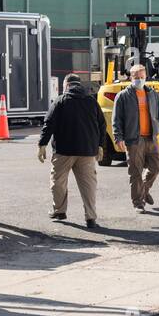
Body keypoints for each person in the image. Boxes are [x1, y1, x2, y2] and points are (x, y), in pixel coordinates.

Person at [39, 74, 106, 228]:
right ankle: (91, 218)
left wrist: (42, 144)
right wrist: (100, 145)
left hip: (64, 150)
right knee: (88, 185)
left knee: (58, 182)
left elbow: (49, 123)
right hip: (87, 151)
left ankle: (59, 211)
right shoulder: (91, 101)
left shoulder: (60, 101)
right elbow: (102, 125)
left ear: (66, 84)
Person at [111, 63, 159, 212]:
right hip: (133, 140)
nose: (139, 80)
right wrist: (118, 138)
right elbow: (116, 119)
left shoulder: (152, 94)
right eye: (136, 77)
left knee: (157, 166)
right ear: (131, 77)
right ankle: (138, 203)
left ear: (146, 77)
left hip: (151, 138)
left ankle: (143, 191)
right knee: (135, 172)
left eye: (142, 77)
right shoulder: (123, 96)